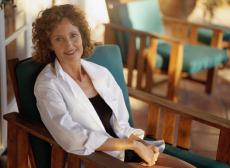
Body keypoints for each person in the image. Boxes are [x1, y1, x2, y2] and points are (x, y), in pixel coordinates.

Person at [33, 4, 195, 167]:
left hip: (125, 150)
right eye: (59, 39)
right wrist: (133, 145)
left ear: (82, 35)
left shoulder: (100, 73)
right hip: (93, 160)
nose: (69, 45)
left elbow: (122, 125)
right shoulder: (47, 84)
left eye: (73, 35)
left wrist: (143, 145)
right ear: (49, 44)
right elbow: (72, 138)